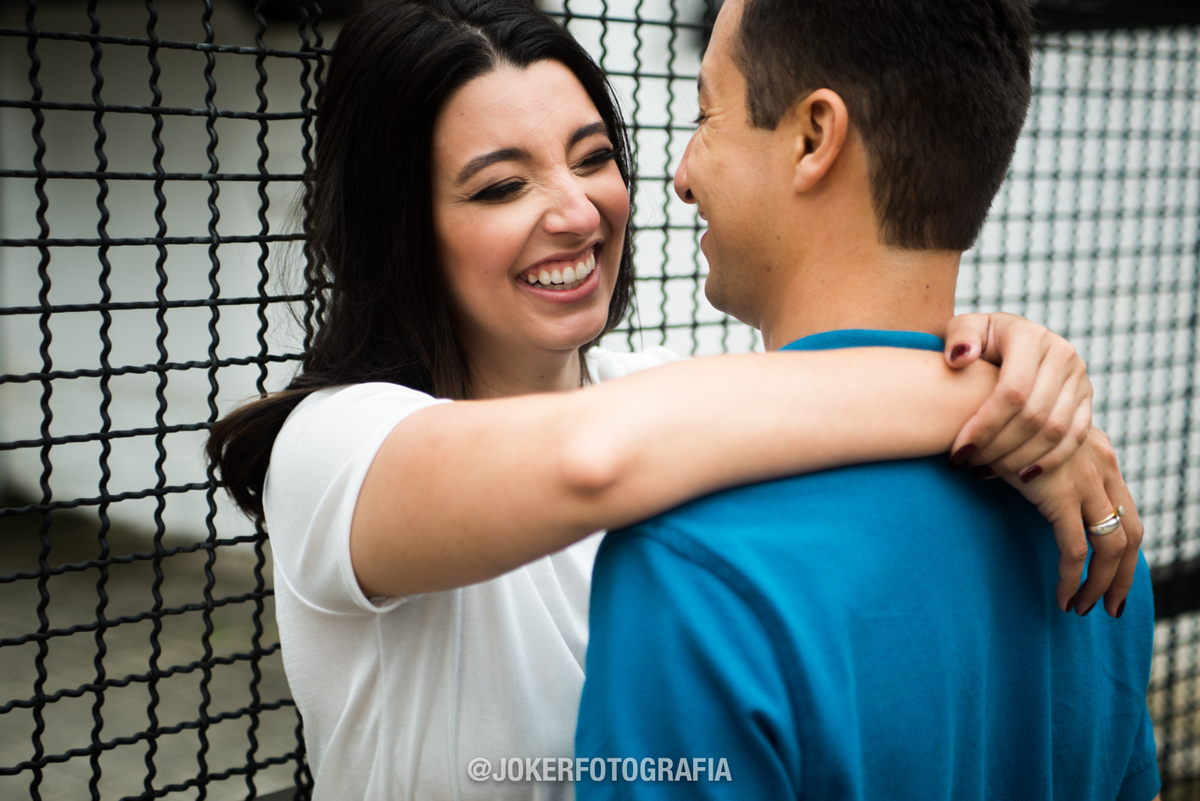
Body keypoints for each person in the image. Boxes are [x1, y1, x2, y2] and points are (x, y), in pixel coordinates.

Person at [204, 1, 1140, 799]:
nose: (577, 209)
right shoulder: (332, 446)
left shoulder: (666, 394)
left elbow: (800, 383)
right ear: (403, 230)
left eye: (592, 156)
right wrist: (978, 385)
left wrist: (1021, 368)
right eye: (500, 186)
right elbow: (592, 459)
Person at [576, 0, 1158, 799]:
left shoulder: (692, 568)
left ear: (814, 137)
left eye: (708, 113)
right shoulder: (1095, 533)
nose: (680, 174)